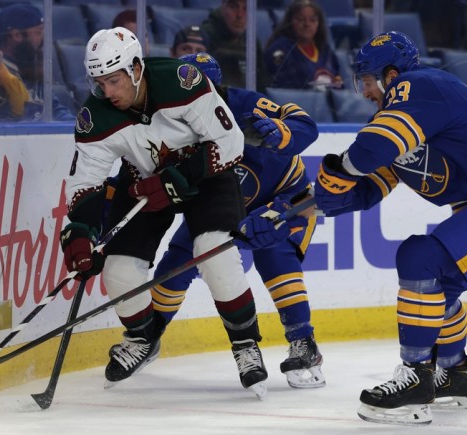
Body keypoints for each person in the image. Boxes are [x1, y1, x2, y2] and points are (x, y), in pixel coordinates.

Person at [255, 31, 467, 425]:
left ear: (389, 75)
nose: (364, 91)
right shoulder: (409, 114)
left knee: (421, 258)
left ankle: (414, 380)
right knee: (437, 286)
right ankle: (453, 374)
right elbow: (365, 190)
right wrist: (284, 211)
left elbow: (367, 153)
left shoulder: (420, 85)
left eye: (367, 80)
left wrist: (338, 171)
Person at [60, 28, 268, 398]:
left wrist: (183, 176)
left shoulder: (181, 82)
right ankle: (143, 339)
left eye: (114, 80)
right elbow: (85, 183)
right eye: (99, 82)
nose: (107, 92)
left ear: (136, 68)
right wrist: (79, 234)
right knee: (118, 270)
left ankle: (245, 344)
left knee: (213, 252)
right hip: (143, 181)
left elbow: (230, 141)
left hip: (207, 175)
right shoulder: (95, 116)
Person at [148, 52, 324, 389]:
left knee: (276, 255)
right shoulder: (173, 124)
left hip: (282, 200)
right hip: (219, 206)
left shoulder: (248, 106)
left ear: (219, 92)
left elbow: (306, 127)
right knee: (179, 260)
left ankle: (304, 341)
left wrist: (280, 133)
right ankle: (150, 333)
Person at [0, 3, 73, 121]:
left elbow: (55, 110)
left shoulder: (32, 67)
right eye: (38, 32)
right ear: (17, 35)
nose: (43, 39)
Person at [263, 0, 343, 90]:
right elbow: (283, 90)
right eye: (300, 19)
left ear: (319, 23)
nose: (307, 24)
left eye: (313, 20)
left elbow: (339, 83)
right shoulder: (279, 50)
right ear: (289, 21)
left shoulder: (325, 49)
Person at [201, 0, 270, 90]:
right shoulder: (206, 35)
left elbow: (262, 82)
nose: (239, 15)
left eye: (245, 8)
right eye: (233, 7)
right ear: (222, 7)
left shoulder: (251, 40)